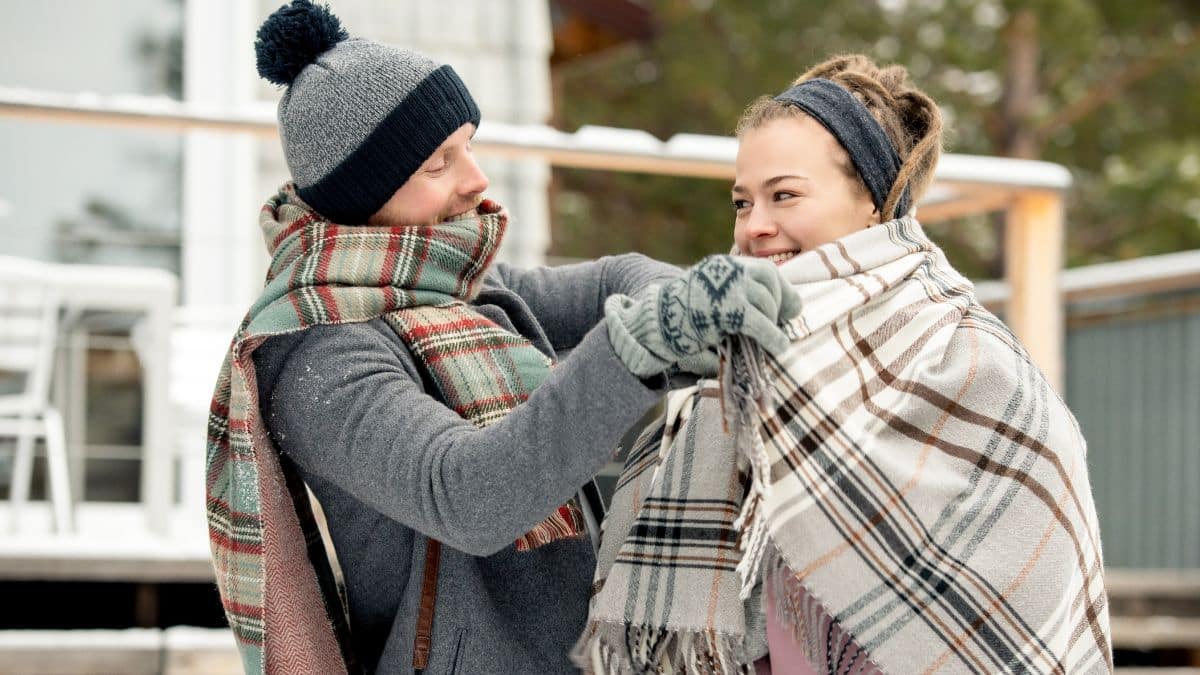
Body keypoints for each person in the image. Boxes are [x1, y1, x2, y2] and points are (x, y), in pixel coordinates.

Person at [203, 2, 800, 674]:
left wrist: (693, 299)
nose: (476, 178)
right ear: (366, 190)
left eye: (468, 145)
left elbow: (613, 279)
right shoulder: (322, 356)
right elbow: (469, 492)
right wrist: (639, 347)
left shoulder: (449, 287)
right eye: (440, 163)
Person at [578, 54, 1112, 674]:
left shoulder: (973, 363)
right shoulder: (731, 375)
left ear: (874, 202)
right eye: (742, 203)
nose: (756, 227)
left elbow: (1025, 591)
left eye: (784, 196)